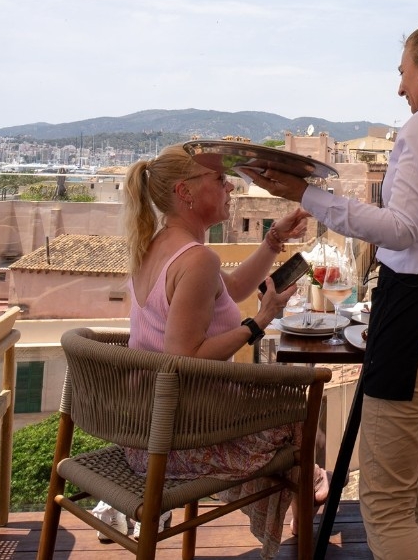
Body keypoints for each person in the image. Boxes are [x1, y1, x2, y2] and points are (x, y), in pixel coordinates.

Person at [249, 11, 418, 560]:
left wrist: (306, 195)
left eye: (403, 71)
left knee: (386, 502)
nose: (399, 87)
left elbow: (402, 228)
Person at [121, 144, 323, 559]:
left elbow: (230, 290)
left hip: (144, 429)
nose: (230, 186)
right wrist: (260, 321)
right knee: (306, 424)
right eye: (219, 179)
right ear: (185, 191)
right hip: (183, 438)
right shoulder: (196, 259)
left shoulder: (159, 245)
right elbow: (185, 357)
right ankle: (304, 527)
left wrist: (273, 240)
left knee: (298, 431)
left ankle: (305, 500)